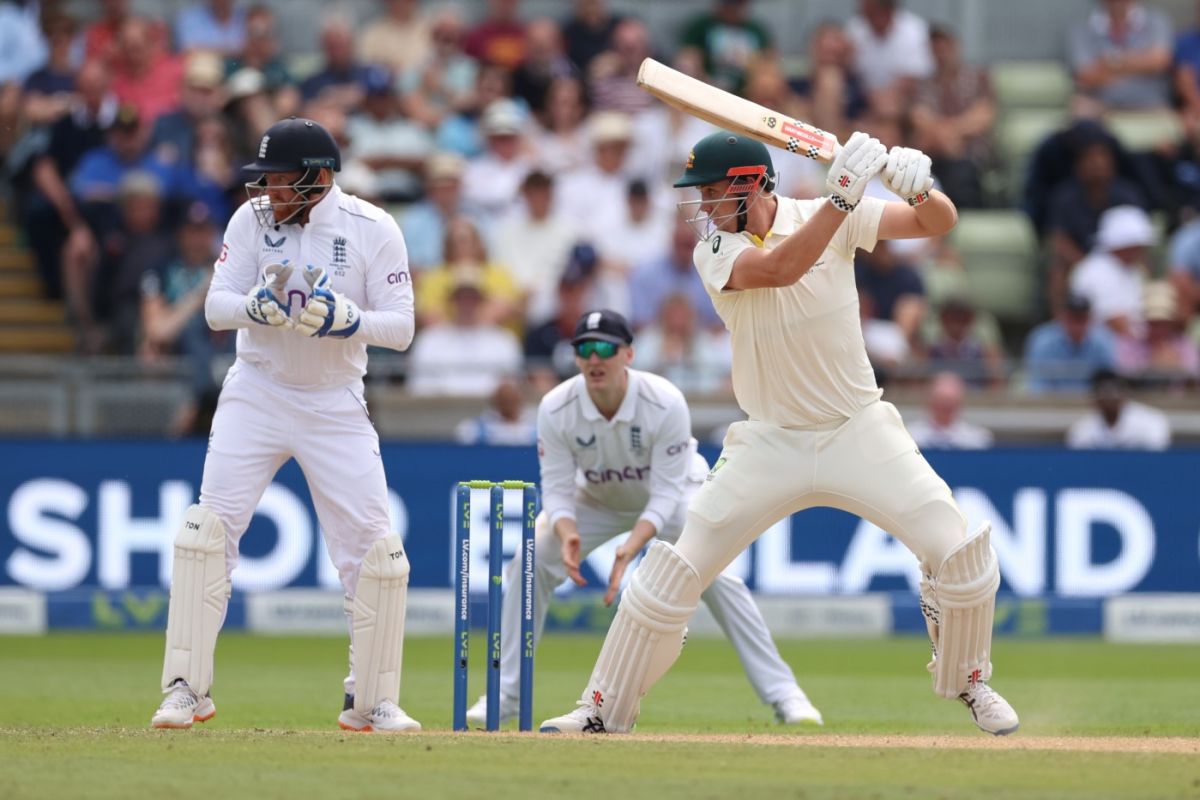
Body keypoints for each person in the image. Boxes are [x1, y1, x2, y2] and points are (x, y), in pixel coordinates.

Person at [539, 129, 1019, 736]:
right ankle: (601, 710)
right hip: (769, 442)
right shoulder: (714, 250)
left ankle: (970, 684)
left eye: (712, 192)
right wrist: (839, 201)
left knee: (962, 555)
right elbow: (779, 269)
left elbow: (936, 224)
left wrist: (920, 187)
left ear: (750, 184)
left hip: (859, 429)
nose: (704, 207)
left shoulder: (829, 214)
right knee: (669, 575)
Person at [150, 117, 420, 733]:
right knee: (206, 534)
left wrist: (346, 318)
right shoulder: (251, 221)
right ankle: (185, 689)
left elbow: (401, 328)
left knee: (375, 554)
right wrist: (258, 307)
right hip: (258, 392)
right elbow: (218, 309)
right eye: (265, 178)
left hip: (335, 401)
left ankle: (372, 700)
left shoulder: (373, 228)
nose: (268, 191)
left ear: (317, 177)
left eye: (278, 179)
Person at [466, 308, 821, 728]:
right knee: (529, 562)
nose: (594, 358)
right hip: (595, 499)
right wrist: (566, 534)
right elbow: (557, 487)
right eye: (584, 349)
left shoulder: (664, 400)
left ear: (628, 354)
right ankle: (506, 693)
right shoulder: (556, 407)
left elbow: (667, 494)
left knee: (719, 578)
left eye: (604, 348)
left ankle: (785, 695)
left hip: (675, 496)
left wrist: (631, 548)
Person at [1066, 369, 1171, 449]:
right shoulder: (1082, 428)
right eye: (1103, 392)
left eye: (1114, 391)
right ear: (1094, 398)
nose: (1109, 397)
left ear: (1124, 394)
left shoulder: (1152, 421)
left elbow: (1157, 459)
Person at [907, 372, 994, 449]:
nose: (946, 406)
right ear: (930, 402)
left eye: (951, 401)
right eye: (941, 400)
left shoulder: (977, 438)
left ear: (959, 403)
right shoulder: (911, 436)